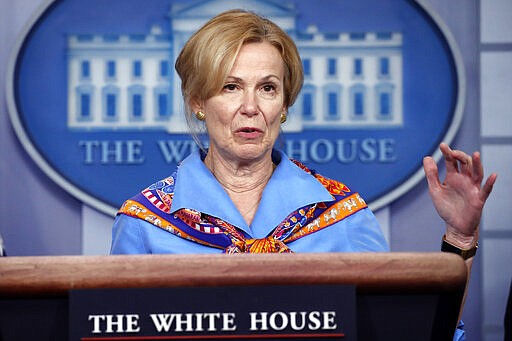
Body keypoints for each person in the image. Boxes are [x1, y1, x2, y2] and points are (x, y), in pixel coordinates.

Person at [110, 9, 497, 339]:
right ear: (197, 101)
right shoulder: (145, 222)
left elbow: (421, 333)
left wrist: (460, 238)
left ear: (284, 104)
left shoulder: (343, 214)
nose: (250, 107)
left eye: (268, 88)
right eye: (230, 87)